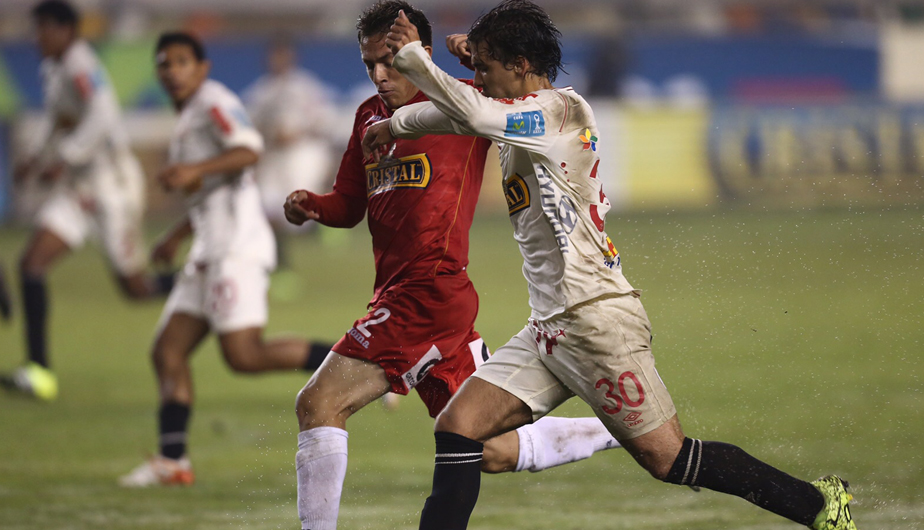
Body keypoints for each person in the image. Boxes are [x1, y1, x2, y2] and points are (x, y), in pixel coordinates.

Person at [361, 2, 858, 529]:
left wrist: (414, 57)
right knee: (457, 426)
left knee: (669, 459)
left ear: (523, 64)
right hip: (551, 328)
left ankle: (820, 506)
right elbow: (464, 109)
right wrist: (395, 125)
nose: (477, 77)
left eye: (485, 67)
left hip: (597, 321)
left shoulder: (556, 112)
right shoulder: (517, 108)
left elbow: (474, 112)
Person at [282, 2, 623, 529]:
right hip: (417, 298)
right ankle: (619, 427)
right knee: (485, 448)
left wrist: (470, 51)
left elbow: (510, 94)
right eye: (369, 63)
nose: (379, 75)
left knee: (318, 403)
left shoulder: (463, 99)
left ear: (416, 50)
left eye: (391, 60)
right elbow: (349, 205)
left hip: (425, 293)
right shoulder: (367, 117)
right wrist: (313, 205)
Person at [118, 31, 331, 488]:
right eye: (164, 64)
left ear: (202, 68)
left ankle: (355, 361)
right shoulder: (186, 117)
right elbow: (214, 193)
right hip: (207, 248)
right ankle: (172, 462)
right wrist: (175, 235)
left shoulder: (213, 103)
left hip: (235, 248)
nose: (171, 71)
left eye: (181, 61)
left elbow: (249, 148)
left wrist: (193, 170)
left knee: (245, 355)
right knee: (167, 351)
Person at [0, 0, 172, 401]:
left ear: (66, 30)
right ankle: (39, 371)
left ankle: (207, 281)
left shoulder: (81, 65)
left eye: (43, 28)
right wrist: (39, 156)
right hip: (79, 193)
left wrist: (63, 158)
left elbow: (102, 116)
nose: (36, 37)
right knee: (31, 264)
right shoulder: (52, 68)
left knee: (136, 288)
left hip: (112, 190)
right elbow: (62, 122)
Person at [243, 38, 336, 267]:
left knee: (298, 206)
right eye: (274, 55)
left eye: (282, 54)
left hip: (302, 152)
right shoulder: (260, 93)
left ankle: (324, 222)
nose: (278, 60)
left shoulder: (306, 87)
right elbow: (248, 129)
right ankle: (280, 262)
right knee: (268, 207)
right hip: (274, 158)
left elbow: (326, 122)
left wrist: (296, 132)